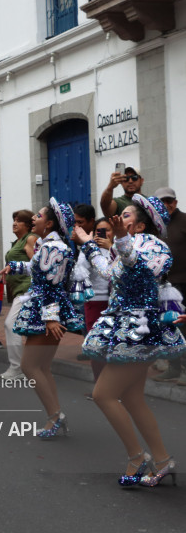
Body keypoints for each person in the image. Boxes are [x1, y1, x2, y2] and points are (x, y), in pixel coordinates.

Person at [74, 194, 185, 486]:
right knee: (133, 399)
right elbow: (109, 271)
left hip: (139, 329)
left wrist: (121, 240)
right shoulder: (129, 243)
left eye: (125, 216)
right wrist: (87, 241)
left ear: (140, 223)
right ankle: (162, 460)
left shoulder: (156, 247)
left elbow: (138, 270)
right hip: (122, 324)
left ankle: (138, 456)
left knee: (103, 395)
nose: (119, 219)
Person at [0, 198, 83, 437]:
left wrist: (50, 317)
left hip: (46, 309)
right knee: (42, 367)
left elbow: (52, 284)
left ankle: (55, 417)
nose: (34, 218)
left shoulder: (52, 247)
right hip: (47, 308)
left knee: (29, 366)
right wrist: (13, 267)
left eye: (39, 215)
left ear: (50, 223)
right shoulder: (49, 245)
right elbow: (37, 270)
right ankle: (56, 415)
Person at [150, 187, 186, 385]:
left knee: (183, 327)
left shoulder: (184, 220)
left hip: (183, 284)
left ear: (176, 202)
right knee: (168, 327)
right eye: (162, 201)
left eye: (170, 200)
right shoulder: (155, 226)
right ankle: (173, 368)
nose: (167, 204)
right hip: (163, 286)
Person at [72, 217, 113, 386]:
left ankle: (113, 388)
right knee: (96, 346)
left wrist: (111, 249)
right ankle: (100, 386)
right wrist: (89, 249)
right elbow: (80, 271)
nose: (103, 234)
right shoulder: (88, 249)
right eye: (99, 231)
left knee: (112, 346)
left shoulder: (119, 249)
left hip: (115, 304)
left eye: (107, 230)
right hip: (95, 301)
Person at [0, 210, 38, 379]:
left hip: (27, 288)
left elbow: (37, 264)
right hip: (19, 289)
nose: (14, 223)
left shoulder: (30, 238)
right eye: (14, 220)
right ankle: (30, 366)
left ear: (28, 225)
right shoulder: (18, 241)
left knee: (11, 324)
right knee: (28, 329)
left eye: (19, 221)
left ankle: (17, 368)